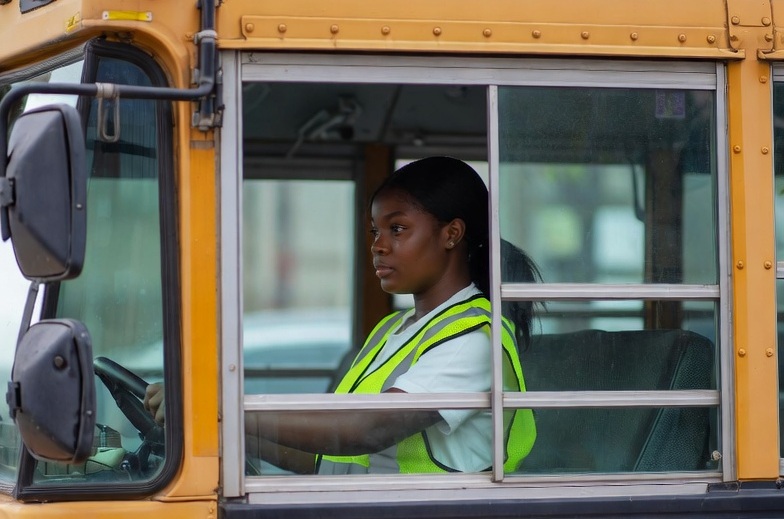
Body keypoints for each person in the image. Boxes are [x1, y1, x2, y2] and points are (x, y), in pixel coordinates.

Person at [145, 156, 539, 474]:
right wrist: (220, 428)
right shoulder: (395, 328)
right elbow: (333, 458)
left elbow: (365, 431)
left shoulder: (471, 340)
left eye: (397, 229)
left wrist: (220, 403)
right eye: (374, 232)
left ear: (451, 234)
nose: (379, 246)